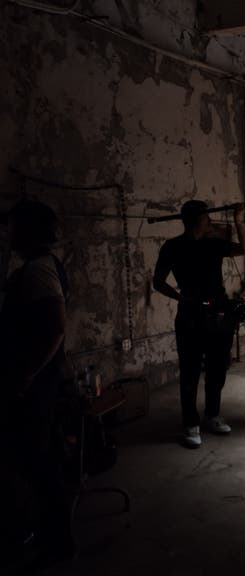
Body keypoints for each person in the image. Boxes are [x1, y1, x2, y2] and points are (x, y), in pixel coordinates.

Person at [0, 200, 76, 568]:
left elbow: (56, 328)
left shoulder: (39, 271)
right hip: (40, 380)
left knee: (39, 462)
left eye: (13, 227)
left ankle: (57, 542)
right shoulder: (44, 267)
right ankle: (49, 535)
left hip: (35, 384)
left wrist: (27, 374)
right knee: (41, 458)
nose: (8, 233)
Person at [153, 200, 245, 448]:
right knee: (190, 371)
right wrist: (181, 297)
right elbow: (158, 282)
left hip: (218, 313)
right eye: (207, 215)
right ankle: (190, 423)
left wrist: (239, 221)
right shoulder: (173, 247)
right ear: (199, 219)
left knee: (218, 368)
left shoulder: (213, 244)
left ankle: (212, 415)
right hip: (190, 315)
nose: (210, 220)